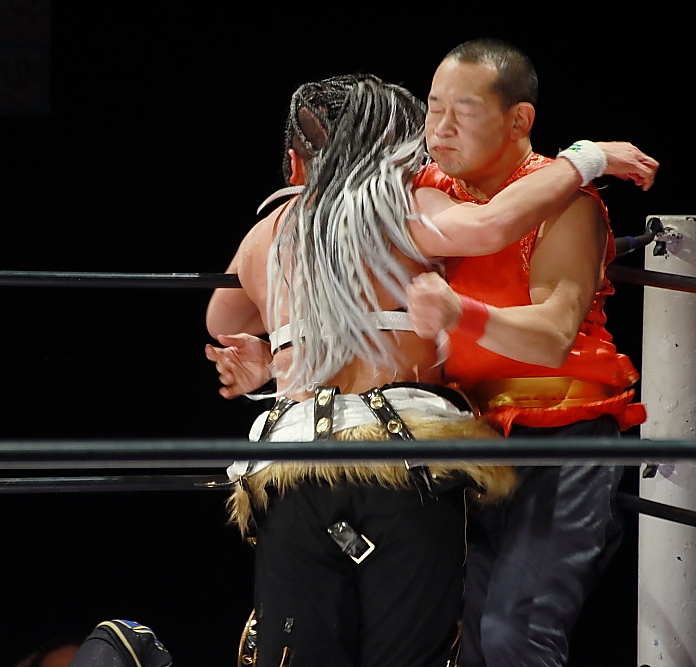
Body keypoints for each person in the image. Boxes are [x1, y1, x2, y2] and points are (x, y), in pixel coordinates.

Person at [206, 73, 655, 667]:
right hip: (404, 459)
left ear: (295, 162)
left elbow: (220, 320)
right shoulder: (404, 206)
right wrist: (588, 158)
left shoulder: (267, 232)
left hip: (294, 465)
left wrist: (273, 352)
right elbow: (494, 224)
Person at [403, 38, 656, 667]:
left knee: (517, 635)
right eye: (433, 108)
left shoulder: (567, 202)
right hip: (467, 441)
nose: (440, 128)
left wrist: (458, 313)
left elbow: (551, 335)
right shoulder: (425, 187)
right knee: (461, 641)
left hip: (562, 440)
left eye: (463, 110)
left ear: (519, 120)